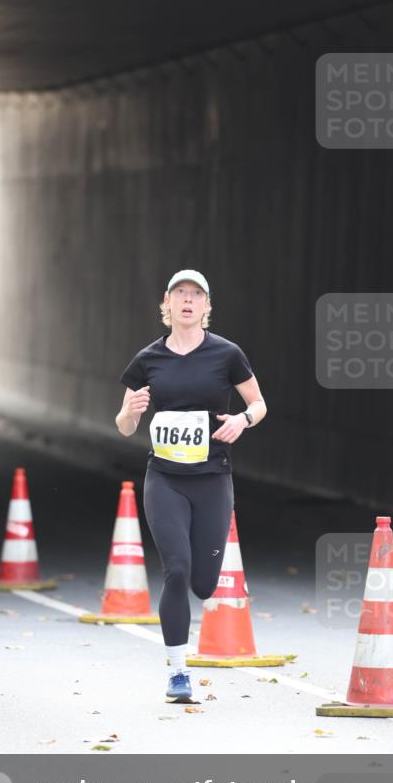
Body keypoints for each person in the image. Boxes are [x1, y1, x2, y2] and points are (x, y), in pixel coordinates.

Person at [116, 269, 267, 702]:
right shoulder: (147, 360)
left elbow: (258, 402)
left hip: (212, 479)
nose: (187, 300)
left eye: (195, 294)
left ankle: (198, 596)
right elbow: (124, 427)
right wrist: (131, 412)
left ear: (206, 306)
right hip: (164, 479)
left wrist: (242, 419)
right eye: (179, 293)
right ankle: (178, 673)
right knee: (176, 570)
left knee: (204, 581)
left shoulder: (227, 354)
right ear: (166, 304)